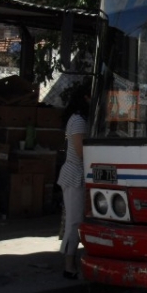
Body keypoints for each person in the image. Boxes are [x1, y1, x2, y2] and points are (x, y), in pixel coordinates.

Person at [57, 84, 90, 279]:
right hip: (74, 174)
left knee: (75, 220)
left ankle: (71, 262)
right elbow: (80, 151)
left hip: (75, 174)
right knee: (74, 222)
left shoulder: (78, 119)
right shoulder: (78, 120)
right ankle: (69, 265)